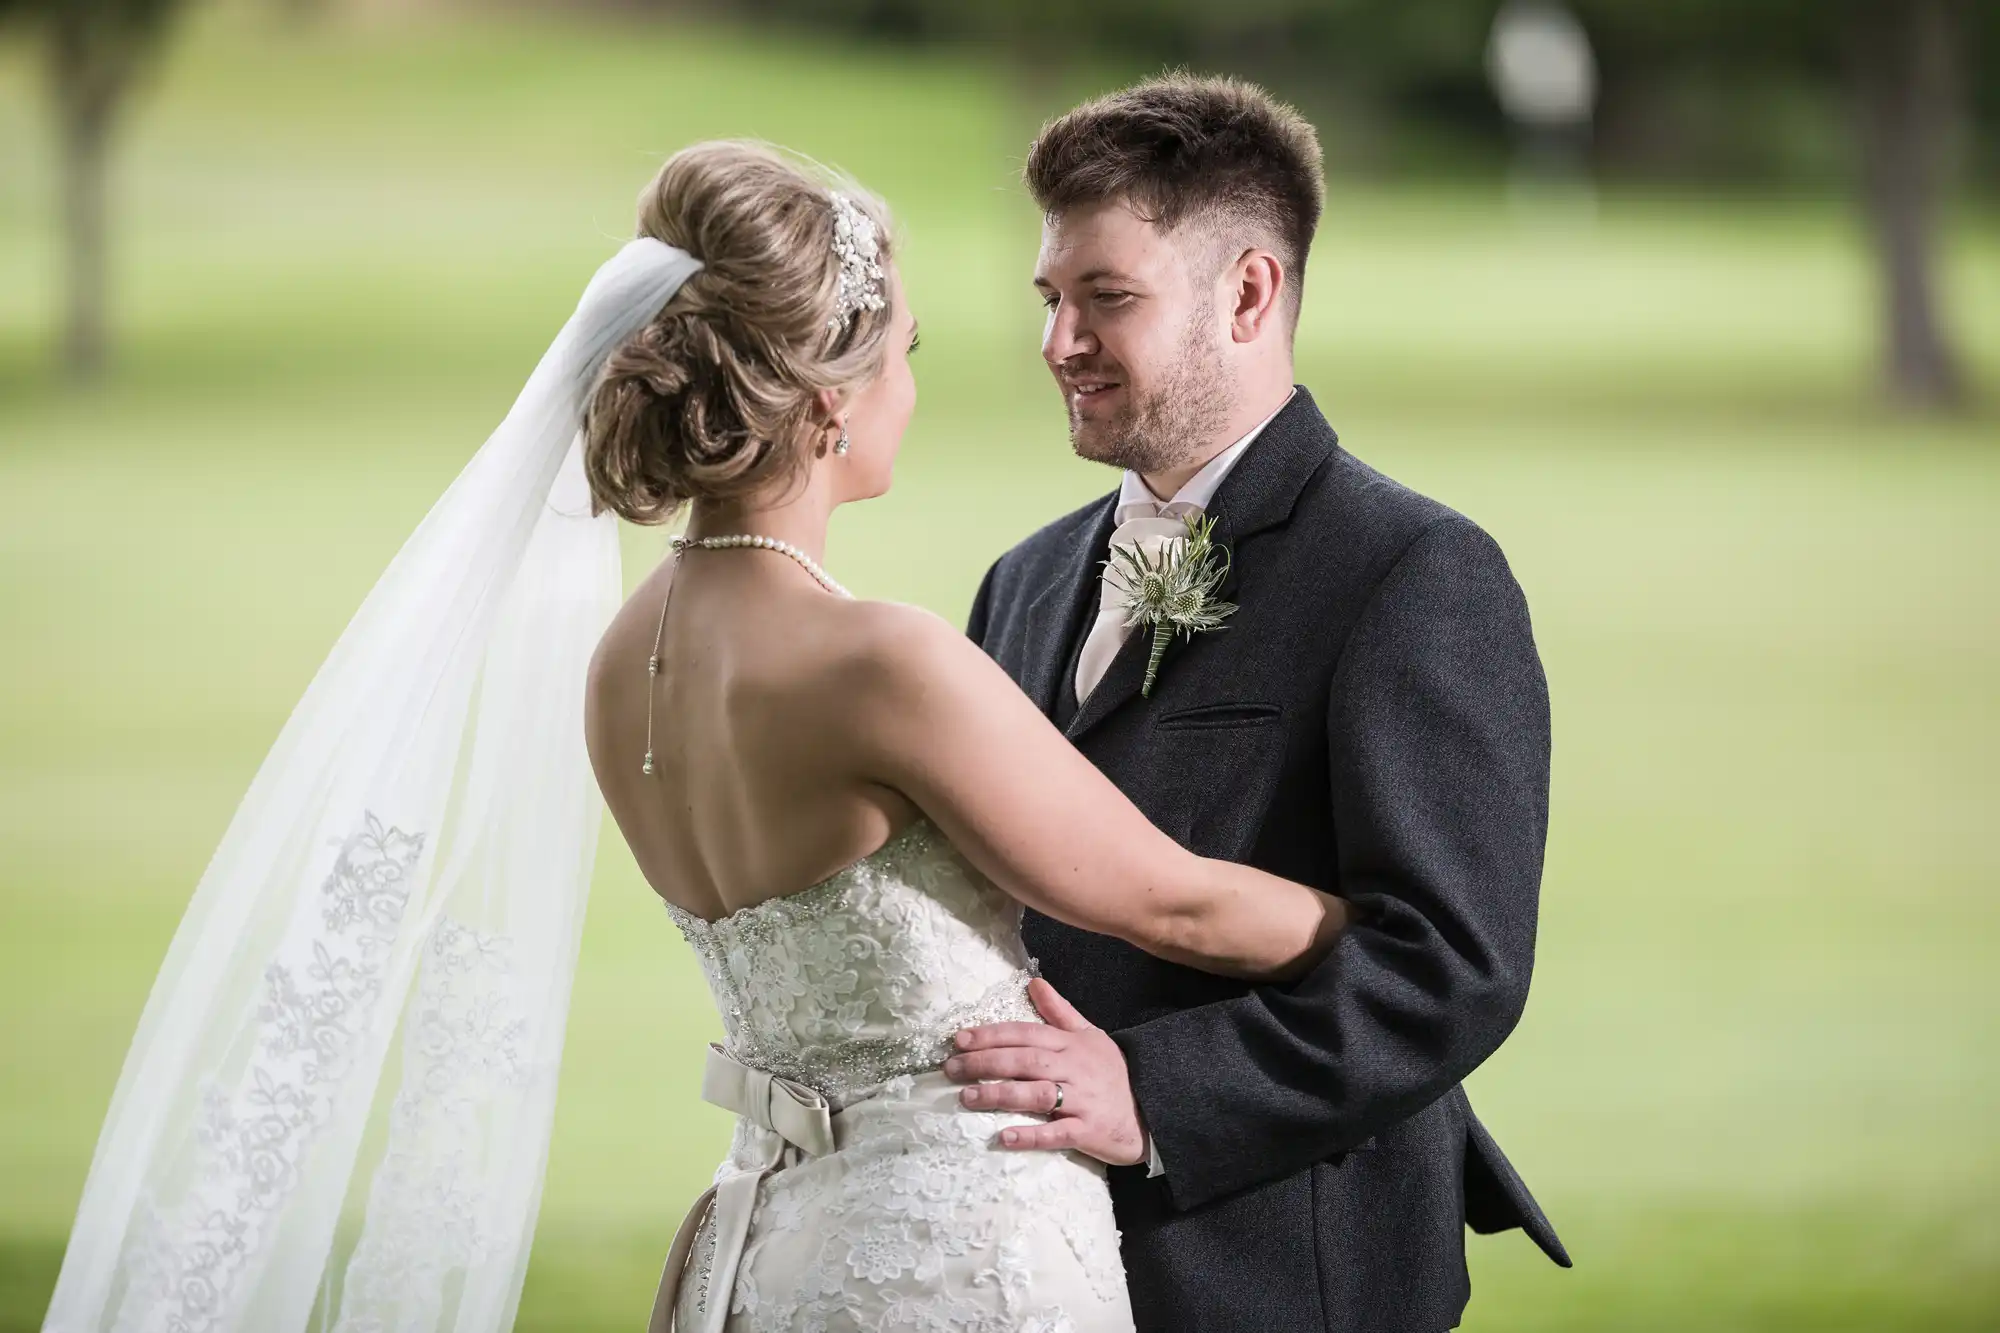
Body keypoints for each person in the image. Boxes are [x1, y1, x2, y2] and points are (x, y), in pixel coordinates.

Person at [578, 140, 1357, 1333]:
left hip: (769, 1243)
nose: (910, 387)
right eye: (907, 351)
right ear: (828, 398)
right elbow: (1170, 902)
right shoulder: (880, 661)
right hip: (952, 1247)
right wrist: (1382, 926)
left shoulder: (620, 664)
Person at [953, 74, 1571, 1333]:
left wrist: (1157, 1094)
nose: (1056, 341)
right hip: (1027, 1259)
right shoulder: (1018, 583)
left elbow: (1448, 963)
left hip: (1278, 1266)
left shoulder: (1411, 573)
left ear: (1247, 292)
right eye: (1050, 298)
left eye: (1105, 298)